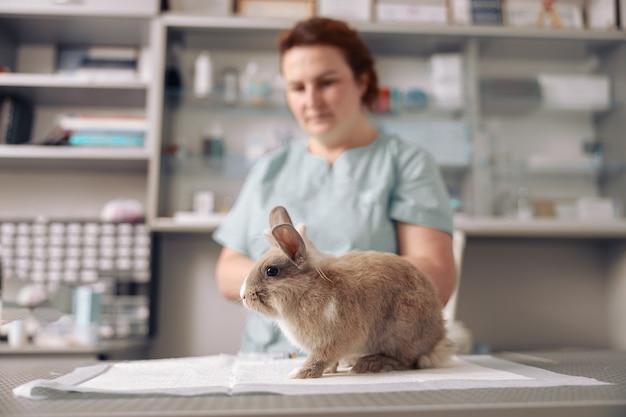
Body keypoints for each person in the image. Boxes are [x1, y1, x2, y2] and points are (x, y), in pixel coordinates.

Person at [213, 16, 456, 354]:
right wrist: (287, 275)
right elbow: (226, 273)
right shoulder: (269, 168)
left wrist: (330, 273)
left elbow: (437, 279)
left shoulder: (405, 164)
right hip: (267, 359)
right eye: (297, 88)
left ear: (361, 81)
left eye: (326, 82)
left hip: (361, 358)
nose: (311, 100)